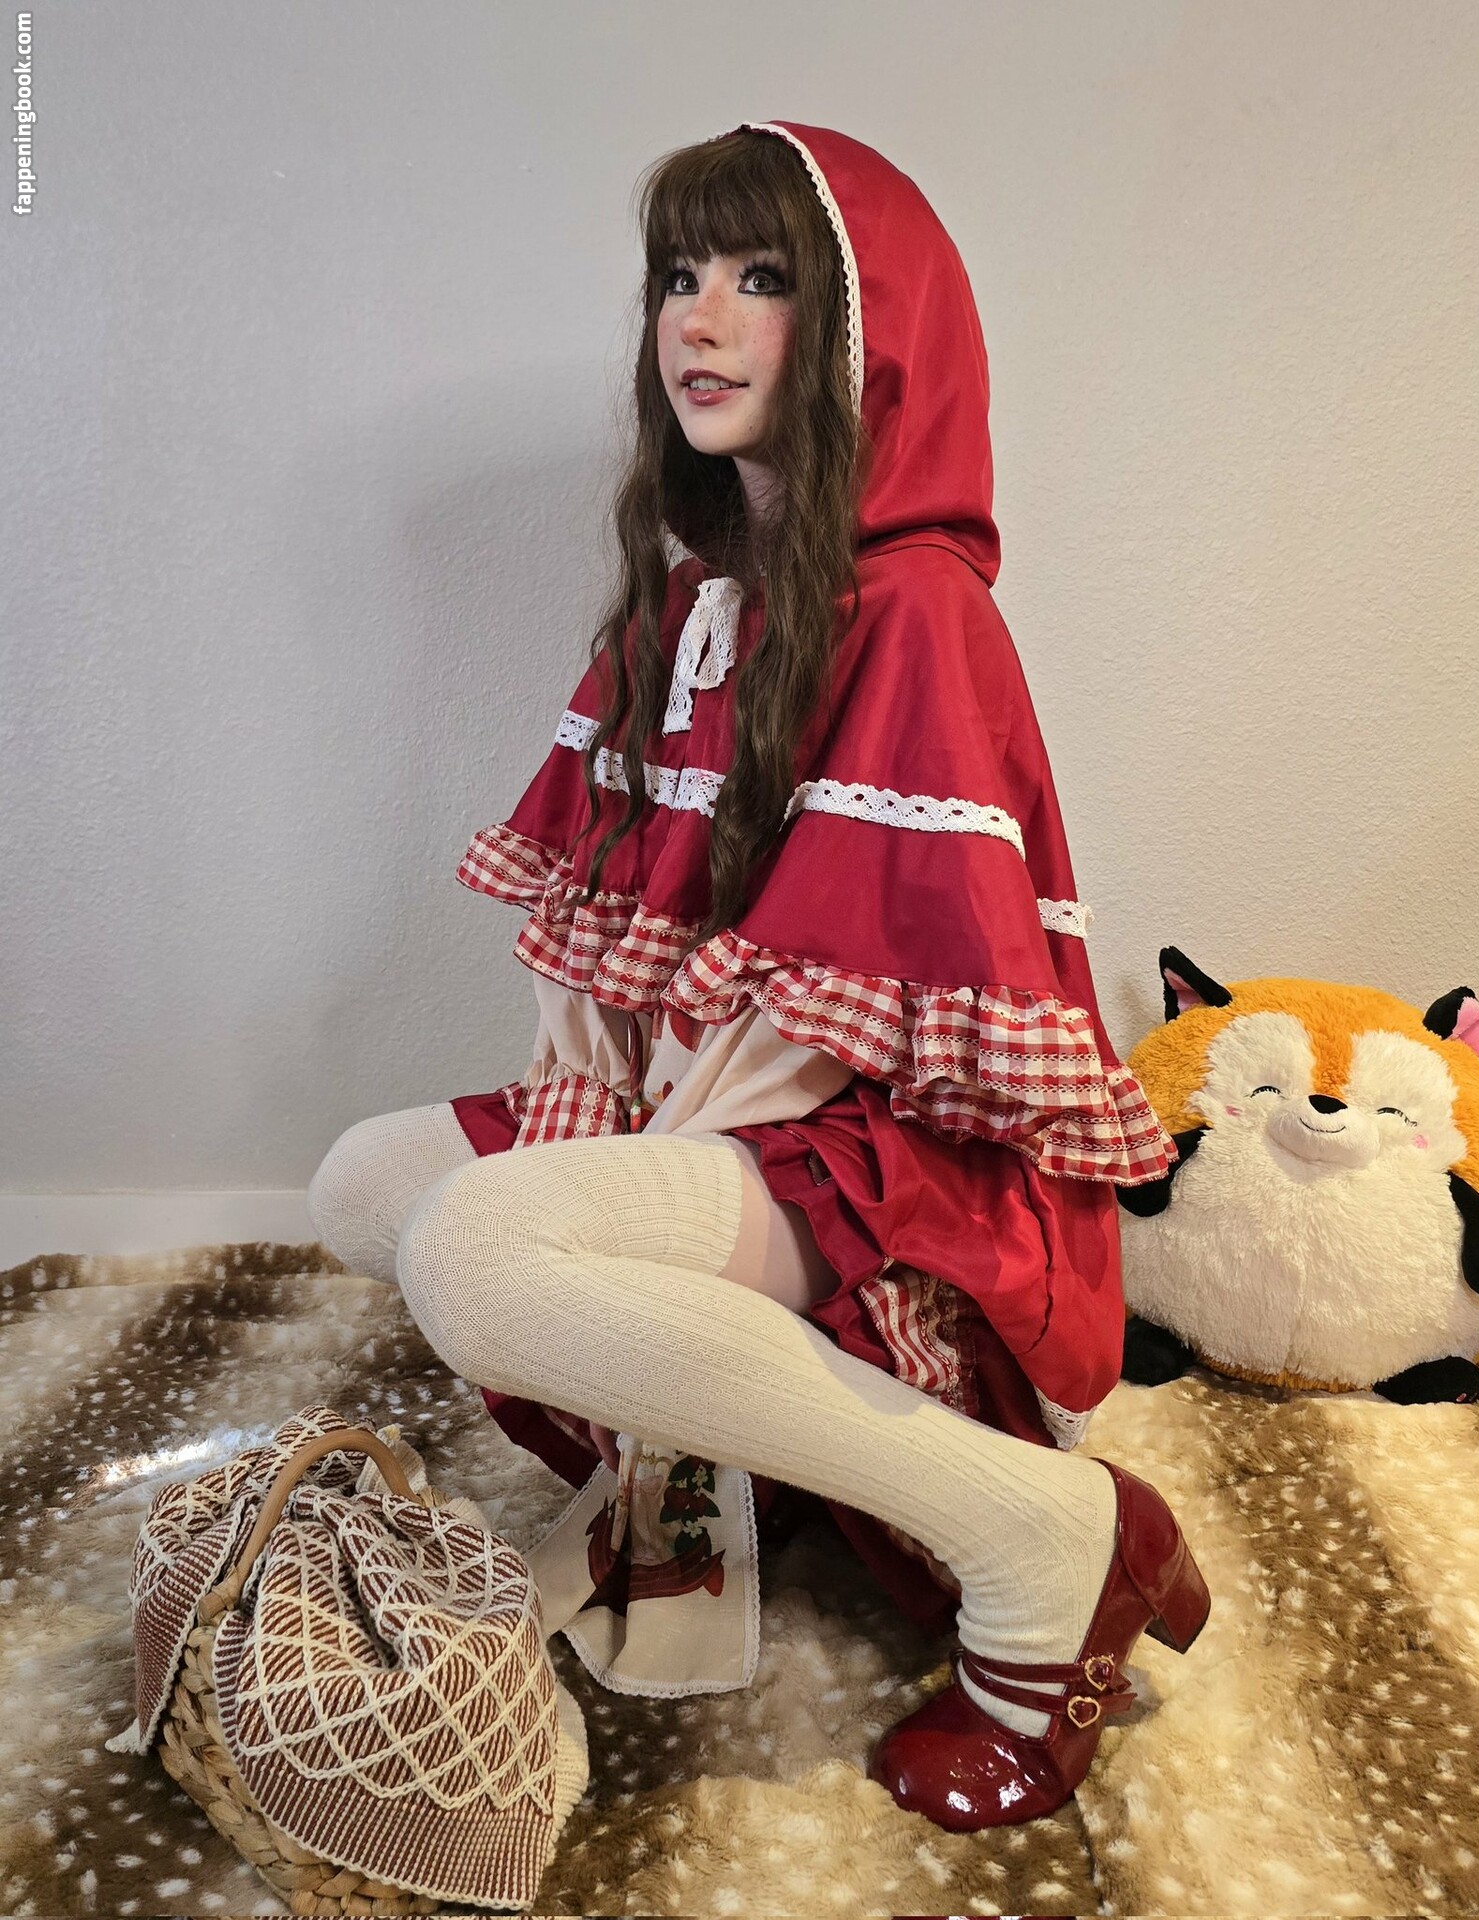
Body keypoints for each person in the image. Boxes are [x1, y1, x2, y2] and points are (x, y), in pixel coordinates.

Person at [307, 120, 1210, 1832]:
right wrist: (595, 1122)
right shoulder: (687, 605)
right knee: (365, 1186)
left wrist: (610, 1184)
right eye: (678, 277)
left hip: (882, 1165)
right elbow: (611, 940)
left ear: (873, 336)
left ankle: (1047, 1538)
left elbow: (852, 1018)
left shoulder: (919, 611)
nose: (700, 321)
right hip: (717, 1117)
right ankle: (741, 1430)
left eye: (762, 278)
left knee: (478, 1251)